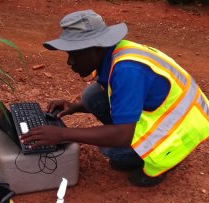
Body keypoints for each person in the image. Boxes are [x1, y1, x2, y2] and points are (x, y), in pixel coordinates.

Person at [20, 10, 209, 186]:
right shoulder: (116, 54)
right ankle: (135, 143)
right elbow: (115, 94)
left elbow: (122, 136)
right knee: (91, 96)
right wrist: (75, 107)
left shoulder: (127, 71)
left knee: (114, 153)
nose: (70, 62)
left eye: (74, 55)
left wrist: (61, 135)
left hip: (182, 130)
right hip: (173, 114)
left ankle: (168, 159)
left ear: (96, 49)